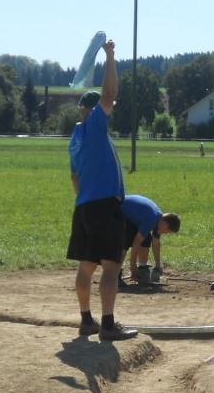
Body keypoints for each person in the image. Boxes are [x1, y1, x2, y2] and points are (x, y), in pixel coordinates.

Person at [66, 39, 137, 341]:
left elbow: (74, 178)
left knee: (86, 266)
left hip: (83, 206)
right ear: (95, 109)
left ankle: (87, 321)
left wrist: (87, 201)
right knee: (110, 266)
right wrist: (109, 57)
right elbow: (109, 94)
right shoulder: (95, 125)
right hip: (104, 206)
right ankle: (108, 325)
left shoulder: (75, 139)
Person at [120, 194, 181, 284]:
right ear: (165, 224)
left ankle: (142, 268)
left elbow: (155, 243)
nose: (166, 233)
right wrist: (132, 267)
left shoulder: (159, 219)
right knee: (125, 240)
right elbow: (136, 244)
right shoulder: (151, 219)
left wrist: (158, 264)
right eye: (168, 231)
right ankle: (115, 274)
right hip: (115, 211)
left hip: (130, 217)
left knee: (146, 239)